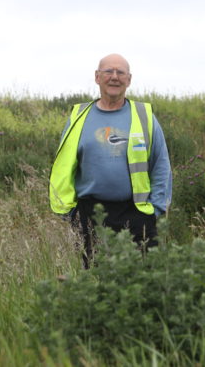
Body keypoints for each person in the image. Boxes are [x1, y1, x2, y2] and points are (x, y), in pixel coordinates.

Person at [49, 53, 172, 268]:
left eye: (120, 72)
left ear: (129, 79)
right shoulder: (79, 116)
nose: (114, 77)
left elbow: (161, 164)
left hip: (137, 213)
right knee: (96, 282)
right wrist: (70, 212)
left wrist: (156, 209)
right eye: (108, 71)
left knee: (143, 281)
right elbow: (64, 165)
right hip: (90, 215)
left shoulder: (144, 116)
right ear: (97, 77)